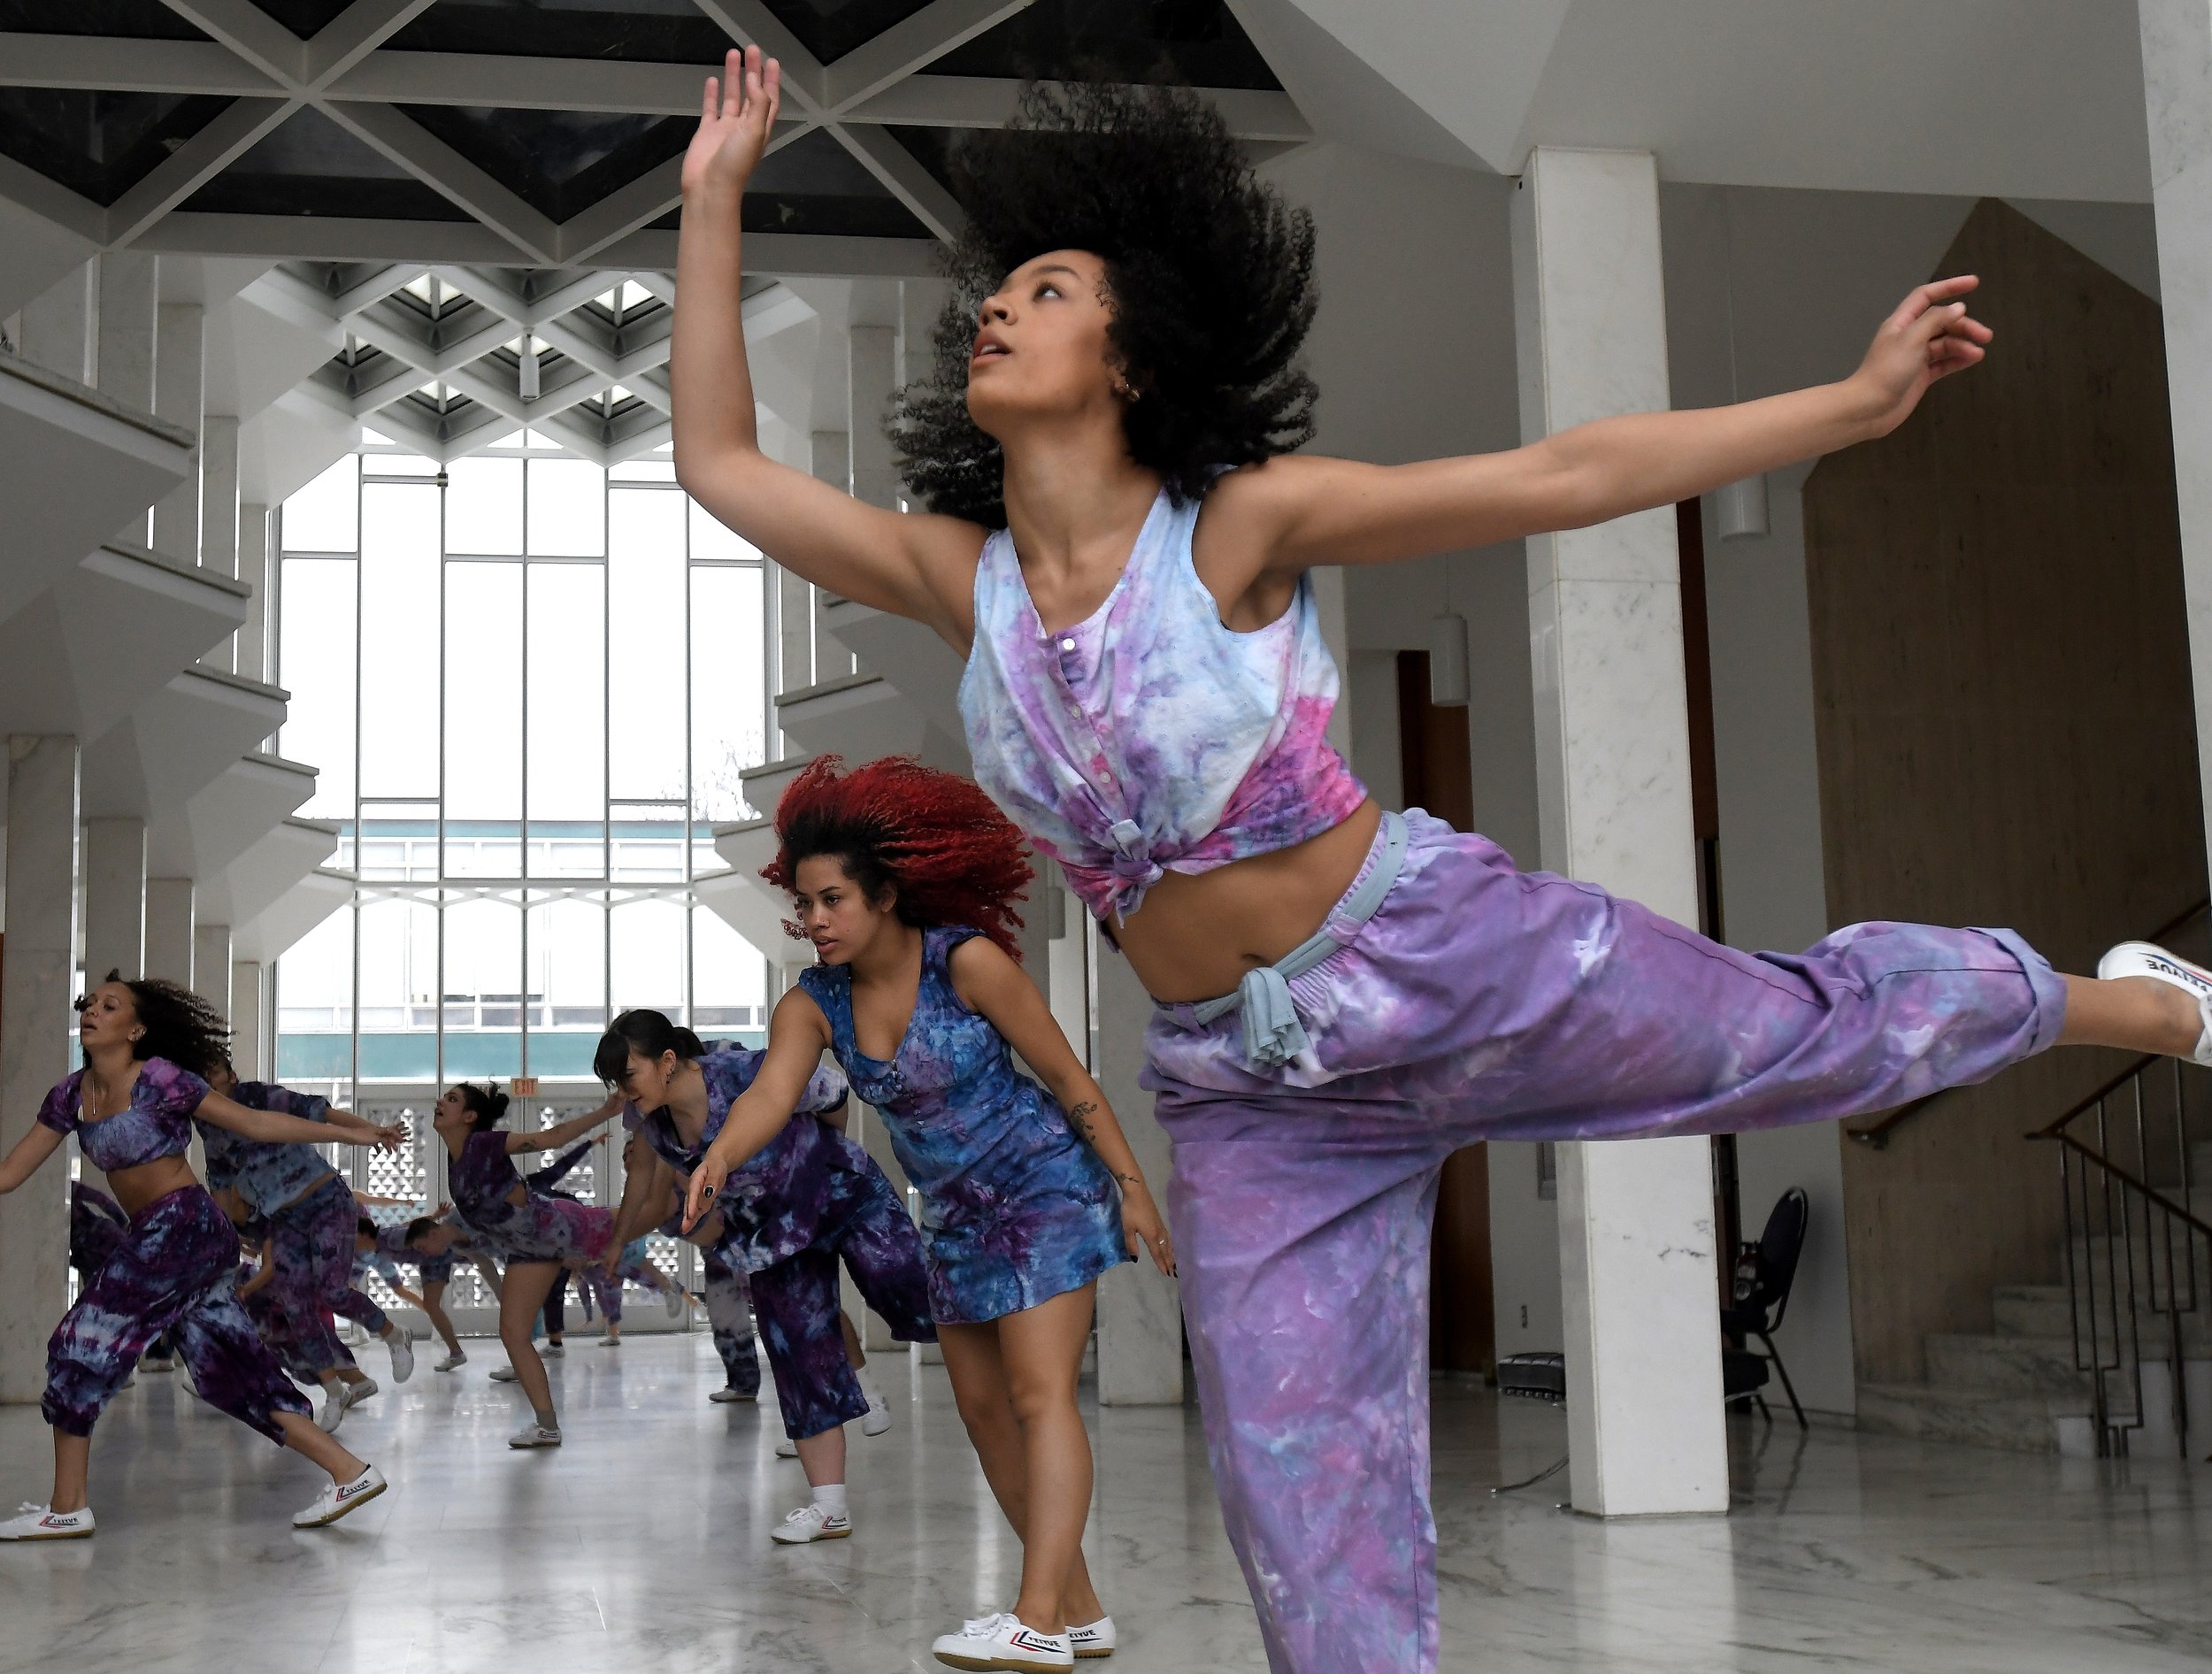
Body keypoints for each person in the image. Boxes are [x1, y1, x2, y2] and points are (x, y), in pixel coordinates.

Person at [671, 51, 2212, 1674]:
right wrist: (715, 198)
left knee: (1798, 1037)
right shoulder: (957, 579)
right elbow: (723, 464)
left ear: (1129, 356)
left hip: (1439, 961)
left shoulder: (1237, 530)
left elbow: (1562, 476)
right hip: (1249, 1092)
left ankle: (2117, 1005)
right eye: (998, 293)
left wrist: (1849, 402)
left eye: (1046, 291)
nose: (996, 310)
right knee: (1300, 1514)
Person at [680, 758, 1172, 1669]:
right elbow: (772, 1095)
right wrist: (717, 1150)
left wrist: (1132, 1186)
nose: (815, 919)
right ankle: (1078, 1608)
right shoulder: (813, 1001)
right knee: (983, 1408)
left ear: (884, 893)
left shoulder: (966, 960)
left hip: (1044, 1191)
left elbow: (1067, 1079)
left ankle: (1034, 1617)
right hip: (952, 1216)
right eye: (805, 902)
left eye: (831, 899)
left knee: (1036, 1395)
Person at [0, 976, 392, 1535]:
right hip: (179, 1239)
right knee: (224, 1370)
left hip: (182, 1226)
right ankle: (350, 1472)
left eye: (110, 1006)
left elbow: (256, 1123)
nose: (92, 1011)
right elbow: (11, 1173)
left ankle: (68, 1507)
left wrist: (350, 1134)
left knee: (81, 1343)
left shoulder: (162, 1079)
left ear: (136, 1030)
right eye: (89, 1004)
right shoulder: (69, 1095)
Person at [597, 1009, 934, 1545]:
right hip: (770, 1240)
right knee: (798, 1354)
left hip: (843, 1194)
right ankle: (829, 1507)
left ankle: (1009, 1375)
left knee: (913, 1294)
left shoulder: (744, 1071)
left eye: (627, 1075)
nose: (622, 1091)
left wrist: (821, 1155)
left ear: (666, 1062)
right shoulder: (658, 1131)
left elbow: (831, 1093)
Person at [200, 1058, 414, 1432]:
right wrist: (226, 1237)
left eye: (212, 1071)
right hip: (283, 1219)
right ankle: (333, 1389)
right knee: (295, 1306)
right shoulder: (208, 1123)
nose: (205, 1079)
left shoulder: (260, 1097)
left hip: (327, 1202)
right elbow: (219, 1180)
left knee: (332, 1291)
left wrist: (374, 1130)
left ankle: (393, 1334)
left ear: (232, 1076)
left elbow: (322, 1113)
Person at [430, 1082, 614, 1447]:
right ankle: (547, 1426)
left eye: (451, 1099)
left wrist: (606, 1113)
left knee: (650, 1216)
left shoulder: (483, 1144)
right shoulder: (455, 1163)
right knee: (514, 1334)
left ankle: (704, 1191)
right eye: (443, 1097)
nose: (439, 1101)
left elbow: (550, 1139)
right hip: (529, 1249)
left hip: (553, 1225)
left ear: (470, 1117)